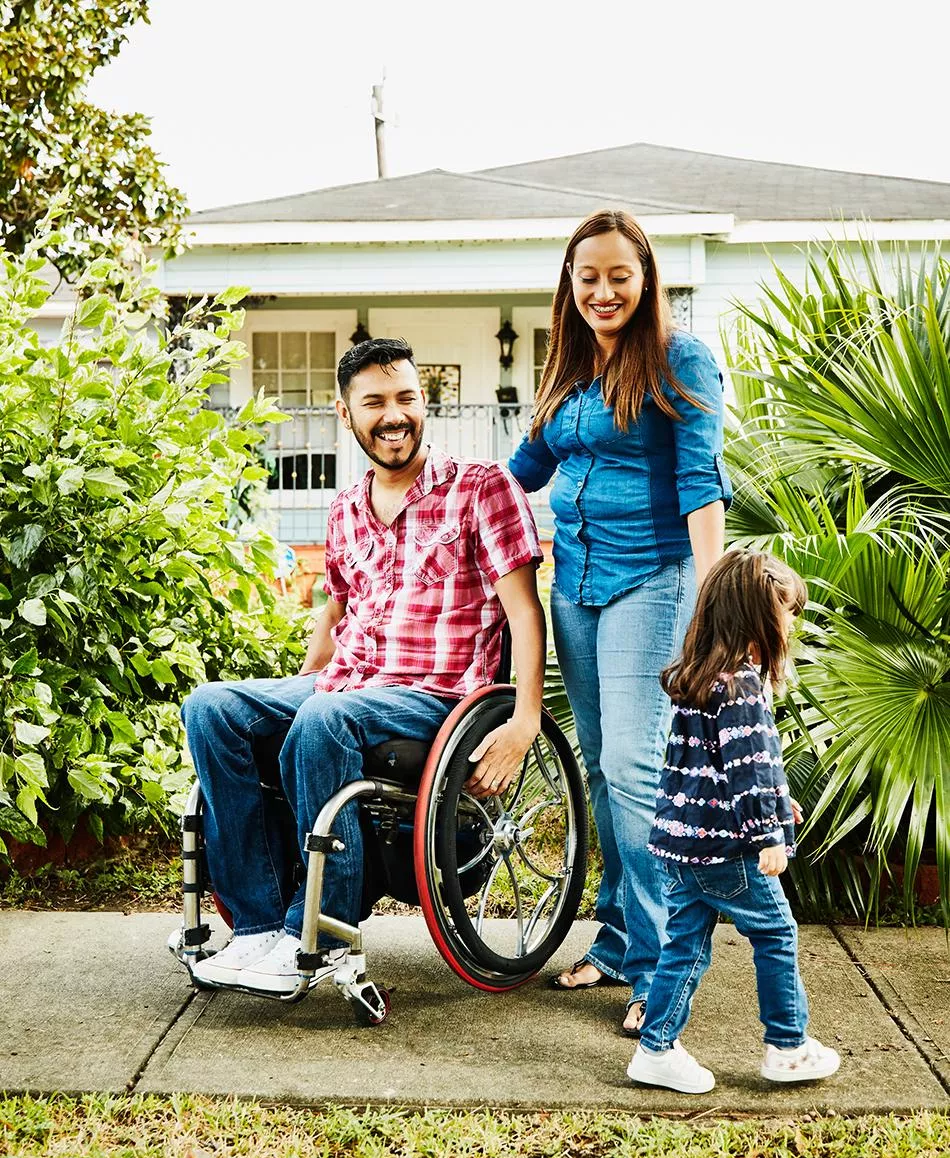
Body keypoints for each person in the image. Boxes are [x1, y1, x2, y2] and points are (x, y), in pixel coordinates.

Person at [181, 337, 545, 993]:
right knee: (211, 707)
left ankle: (319, 929)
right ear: (346, 414)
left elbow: (524, 612)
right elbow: (336, 612)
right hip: (345, 686)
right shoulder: (346, 507)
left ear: (423, 402)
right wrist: (296, 684)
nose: (394, 414)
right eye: (374, 401)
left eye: (406, 397)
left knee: (324, 715)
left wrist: (524, 720)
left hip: (438, 697)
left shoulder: (483, 489)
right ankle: (260, 927)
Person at [509, 209, 732, 1035]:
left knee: (637, 770)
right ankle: (617, 936)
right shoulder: (565, 366)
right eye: (587, 276)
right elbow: (523, 469)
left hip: (655, 580)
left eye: (619, 275)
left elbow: (702, 482)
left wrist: (714, 602)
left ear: (645, 280)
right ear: (570, 282)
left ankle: (664, 963)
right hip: (577, 587)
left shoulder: (680, 358)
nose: (603, 291)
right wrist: (442, 498)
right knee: (604, 768)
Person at [627, 548, 840, 1093]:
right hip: (729, 849)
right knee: (777, 933)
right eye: (786, 610)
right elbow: (749, 767)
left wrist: (776, 804)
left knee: (685, 942)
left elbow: (708, 769)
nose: (792, 622)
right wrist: (767, 832)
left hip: (684, 843)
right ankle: (788, 1046)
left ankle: (656, 1048)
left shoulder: (700, 679)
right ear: (755, 617)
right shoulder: (742, 685)